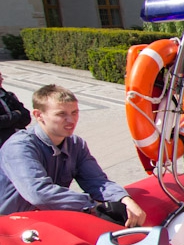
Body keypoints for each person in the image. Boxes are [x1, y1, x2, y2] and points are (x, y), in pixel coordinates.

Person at [0, 85, 146, 226]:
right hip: (9, 227)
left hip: (44, 222)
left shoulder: (76, 144)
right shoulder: (20, 147)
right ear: (39, 115)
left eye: (74, 112)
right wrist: (93, 205)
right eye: (61, 114)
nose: (71, 120)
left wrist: (124, 199)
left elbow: (97, 181)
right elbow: (39, 193)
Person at [0, 71, 31, 146]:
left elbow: (26, 117)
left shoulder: (9, 96)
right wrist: (16, 114)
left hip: (22, 141)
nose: (2, 79)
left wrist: (9, 122)